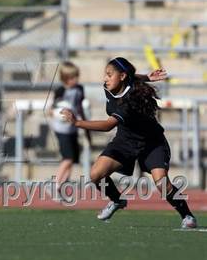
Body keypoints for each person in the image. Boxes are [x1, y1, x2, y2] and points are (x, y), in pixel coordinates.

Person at [61, 57, 197, 228]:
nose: (105, 78)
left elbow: (107, 125)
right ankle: (117, 200)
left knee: (162, 184)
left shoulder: (130, 100)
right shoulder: (110, 87)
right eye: (106, 74)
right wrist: (147, 76)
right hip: (125, 141)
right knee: (96, 175)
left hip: (151, 142)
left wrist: (77, 122)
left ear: (122, 76)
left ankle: (187, 216)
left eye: (109, 75)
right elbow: (133, 77)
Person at [50, 61, 91, 201]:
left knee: (72, 159)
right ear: (65, 78)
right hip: (62, 129)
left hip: (73, 128)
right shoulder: (60, 90)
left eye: (76, 77)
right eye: (72, 77)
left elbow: (80, 107)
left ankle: (61, 187)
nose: (76, 80)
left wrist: (85, 126)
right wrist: (58, 113)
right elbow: (52, 109)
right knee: (67, 158)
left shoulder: (80, 89)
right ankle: (54, 185)